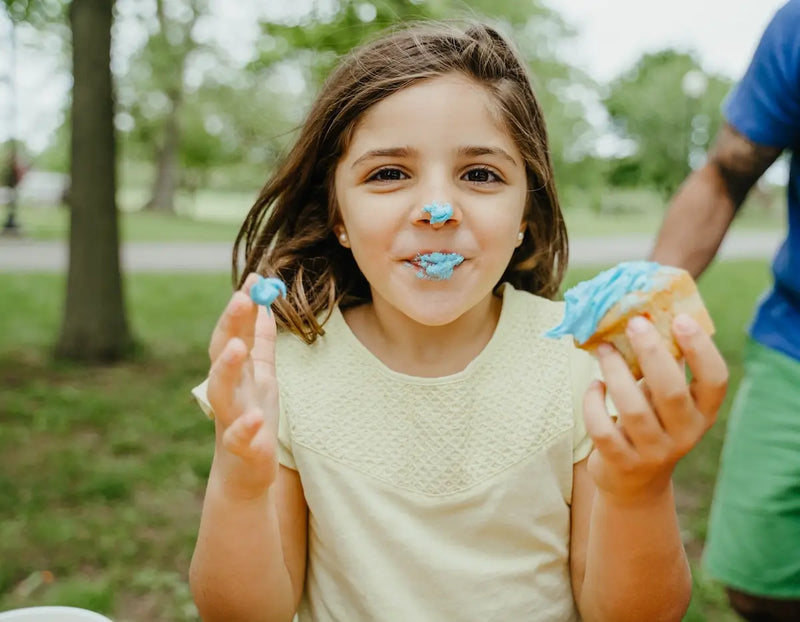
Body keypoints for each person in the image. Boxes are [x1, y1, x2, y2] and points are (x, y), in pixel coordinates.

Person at [189, 21, 728, 622]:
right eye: (388, 173)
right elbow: (243, 614)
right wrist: (240, 481)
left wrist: (639, 489)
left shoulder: (583, 365)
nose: (436, 209)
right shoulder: (283, 373)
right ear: (337, 214)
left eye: (481, 175)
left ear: (527, 210)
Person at [650, 2, 800, 620]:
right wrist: (647, 309)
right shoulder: (796, 28)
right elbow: (727, 171)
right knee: (757, 583)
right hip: (794, 340)